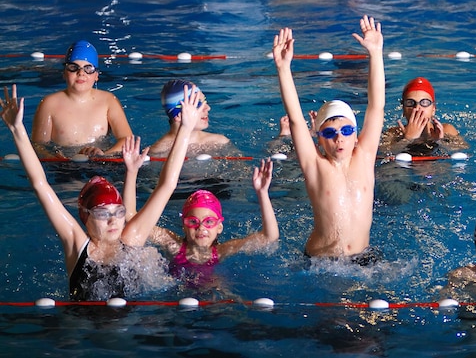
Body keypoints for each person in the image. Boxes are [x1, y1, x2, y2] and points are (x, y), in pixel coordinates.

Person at [1, 83, 202, 300]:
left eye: (118, 212)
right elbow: (40, 184)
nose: (113, 221)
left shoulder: (133, 239)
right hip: (82, 329)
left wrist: (185, 128)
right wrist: (17, 130)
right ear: (85, 217)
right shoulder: (77, 244)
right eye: (103, 214)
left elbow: (167, 185)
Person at [272, 15, 385, 263]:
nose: (339, 138)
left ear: (355, 136)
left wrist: (376, 54)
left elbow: (376, 107)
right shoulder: (316, 166)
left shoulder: (365, 158)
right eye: (329, 133)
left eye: (346, 131)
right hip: (320, 261)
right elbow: (295, 120)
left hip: (362, 257)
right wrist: (283, 68)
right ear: (319, 140)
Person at [123, 142, 279, 286]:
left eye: (209, 222)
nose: (201, 228)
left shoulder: (223, 251)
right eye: (193, 221)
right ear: (184, 225)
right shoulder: (172, 244)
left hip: (212, 288)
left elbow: (268, 238)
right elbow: (132, 220)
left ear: (220, 227)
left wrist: (263, 193)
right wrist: (132, 171)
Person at [31, 40, 133, 158]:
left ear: (96, 76)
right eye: (73, 67)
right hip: (63, 167)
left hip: (102, 164)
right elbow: (38, 146)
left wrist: (103, 155)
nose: (81, 73)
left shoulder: (108, 101)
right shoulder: (49, 104)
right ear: (64, 72)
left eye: (88, 68)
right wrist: (55, 158)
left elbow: (127, 140)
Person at [380, 77, 465, 156]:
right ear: (403, 109)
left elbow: (463, 150)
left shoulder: (447, 130)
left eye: (424, 103)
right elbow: (383, 153)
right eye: (410, 103)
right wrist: (407, 139)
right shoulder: (393, 133)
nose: (417, 108)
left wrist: (439, 142)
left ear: (433, 109)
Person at [148, 79, 231, 158]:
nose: (208, 108)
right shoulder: (159, 152)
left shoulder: (220, 142)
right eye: (198, 103)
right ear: (178, 115)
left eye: (205, 101)